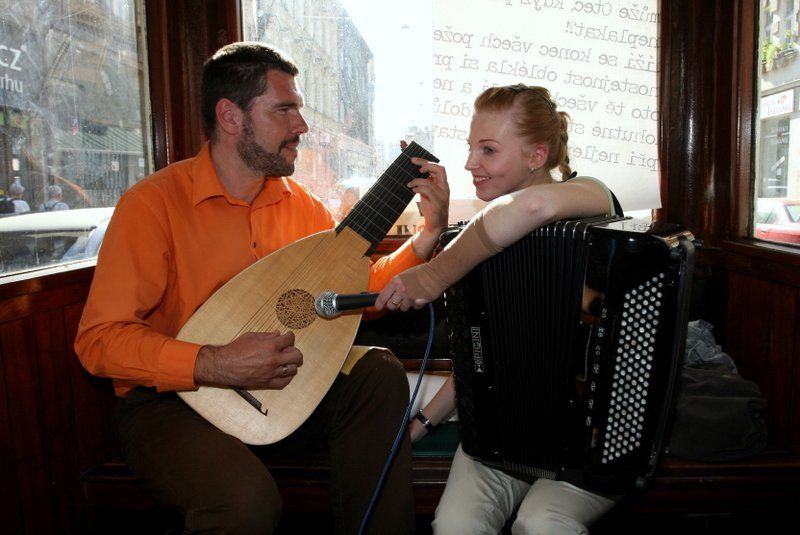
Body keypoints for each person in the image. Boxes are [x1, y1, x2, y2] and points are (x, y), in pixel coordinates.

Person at [74, 42, 449, 534]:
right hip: (172, 404)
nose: (303, 125)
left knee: (377, 370)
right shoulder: (153, 205)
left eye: (299, 109)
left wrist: (427, 236)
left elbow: (348, 295)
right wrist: (212, 361)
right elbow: (98, 341)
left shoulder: (304, 207)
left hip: (285, 391)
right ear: (231, 117)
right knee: (245, 503)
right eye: (284, 109)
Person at [375, 84, 621, 535]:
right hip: (503, 432)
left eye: (487, 150)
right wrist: (419, 428)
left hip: (588, 438)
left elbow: (530, 206)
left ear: (536, 155)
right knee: (453, 526)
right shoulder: (476, 240)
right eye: (471, 148)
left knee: (542, 524)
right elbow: (480, 360)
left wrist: (433, 275)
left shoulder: (593, 195)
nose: (470, 163)